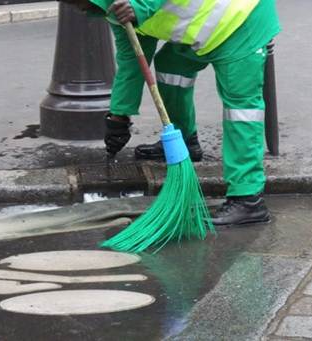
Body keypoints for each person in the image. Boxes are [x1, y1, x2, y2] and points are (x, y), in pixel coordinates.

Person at [63, 0, 280, 226]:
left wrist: (141, 7)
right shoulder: (114, 9)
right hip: (204, 29)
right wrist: (119, 116)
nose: (75, 9)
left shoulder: (127, 5)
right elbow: (133, 58)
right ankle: (184, 141)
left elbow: (142, 8)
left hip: (242, 20)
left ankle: (247, 199)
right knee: (170, 67)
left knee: (241, 112)